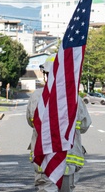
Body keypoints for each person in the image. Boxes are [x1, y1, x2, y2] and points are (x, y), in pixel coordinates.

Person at [26, 54, 92, 192]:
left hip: (44, 161)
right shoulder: (73, 97)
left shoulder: (37, 97)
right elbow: (85, 125)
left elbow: (31, 122)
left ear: (46, 74)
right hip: (68, 161)